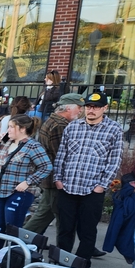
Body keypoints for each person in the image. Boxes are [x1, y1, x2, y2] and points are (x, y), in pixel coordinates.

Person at [54, 91, 124, 261]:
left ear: (105, 108)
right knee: (65, 228)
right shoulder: (72, 127)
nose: (91, 110)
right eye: (88, 106)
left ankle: (81, 265)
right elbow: (61, 155)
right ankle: (61, 263)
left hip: (92, 190)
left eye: (96, 107)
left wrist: (101, 186)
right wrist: (58, 179)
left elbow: (114, 160)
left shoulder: (114, 129)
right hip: (68, 187)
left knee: (87, 231)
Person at [0, 114, 53, 247]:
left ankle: (12, 257)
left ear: (22, 129)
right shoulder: (5, 141)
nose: (8, 130)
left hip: (19, 192)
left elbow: (47, 167)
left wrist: (28, 182)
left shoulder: (33, 146)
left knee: (13, 230)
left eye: (11, 127)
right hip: (0, 190)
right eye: (8, 126)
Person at [24, 93, 85, 235]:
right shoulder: (59, 125)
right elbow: (62, 155)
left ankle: (22, 240)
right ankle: (19, 240)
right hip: (55, 178)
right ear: (68, 108)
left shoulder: (53, 121)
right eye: (79, 107)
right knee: (58, 216)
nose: (81, 111)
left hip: (51, 176)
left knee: (48, 214)